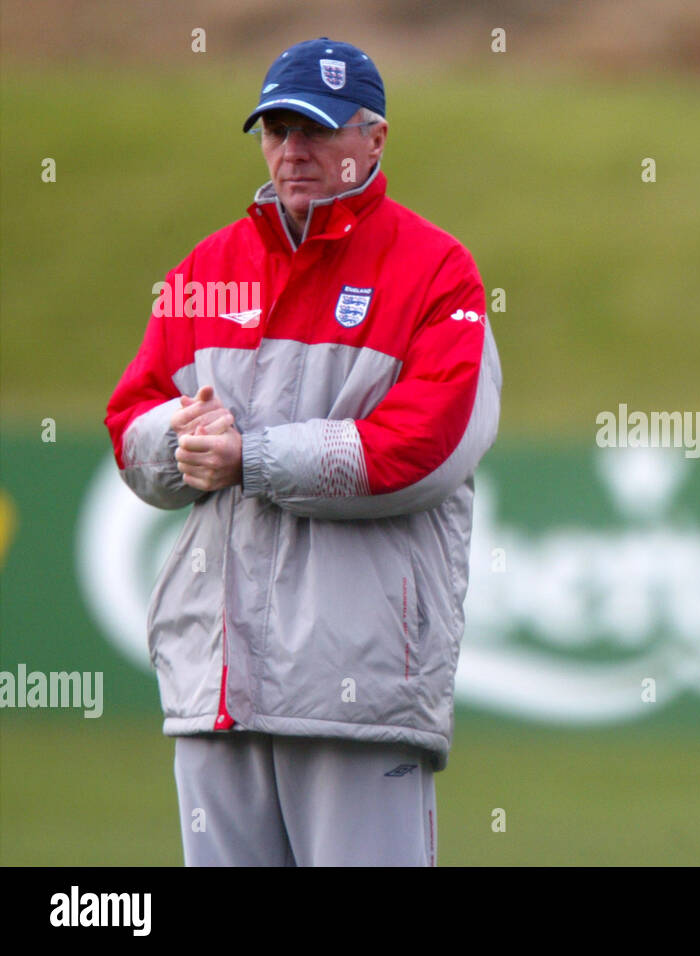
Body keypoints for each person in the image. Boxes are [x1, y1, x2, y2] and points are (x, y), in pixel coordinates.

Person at [104, 37, 501, 866]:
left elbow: (427, 448)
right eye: (278, 130)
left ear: (375, 140)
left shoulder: (437, 272)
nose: (294, 152)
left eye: (317, 131)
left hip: (355, 692)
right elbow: (130, 421)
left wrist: (249, 456)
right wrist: (181, 442)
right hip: (216, 685)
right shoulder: (206, 270)